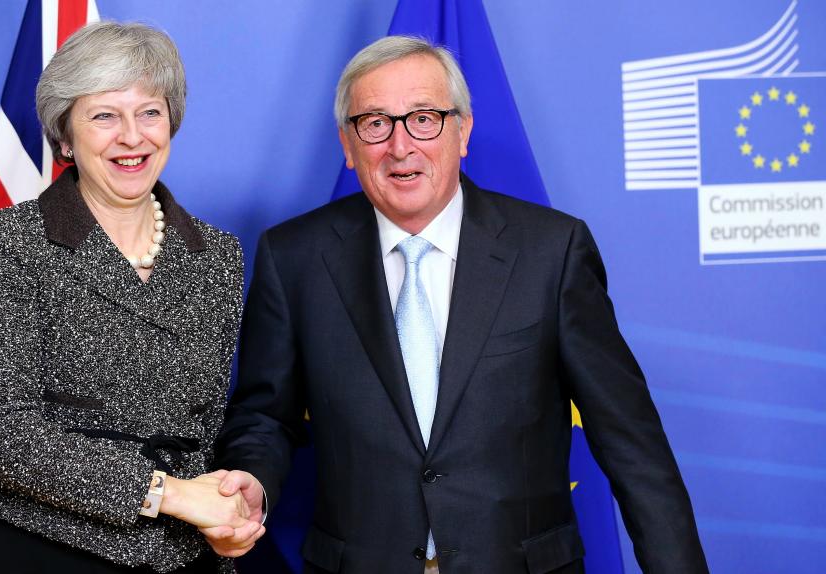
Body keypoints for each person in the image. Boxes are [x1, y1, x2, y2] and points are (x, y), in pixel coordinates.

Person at [208, 36, 709, 573]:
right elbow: (265, 415)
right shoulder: (293, 258)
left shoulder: (551, 252)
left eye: (424, 119)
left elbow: (631, 443)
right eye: (374, 123)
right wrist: (252, 480)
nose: (400, 146)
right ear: (347, 146)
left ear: (463, 131)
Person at [0, 22, 263, 573]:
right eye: (104, 115)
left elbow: (206, 425)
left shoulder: (217, 256)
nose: (132, 136)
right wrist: (165, 493)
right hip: (41, 549)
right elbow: (1, 433)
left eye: (149, 111)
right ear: (65, 136)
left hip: (185, 553)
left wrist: (228, 511)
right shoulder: (9, 243)